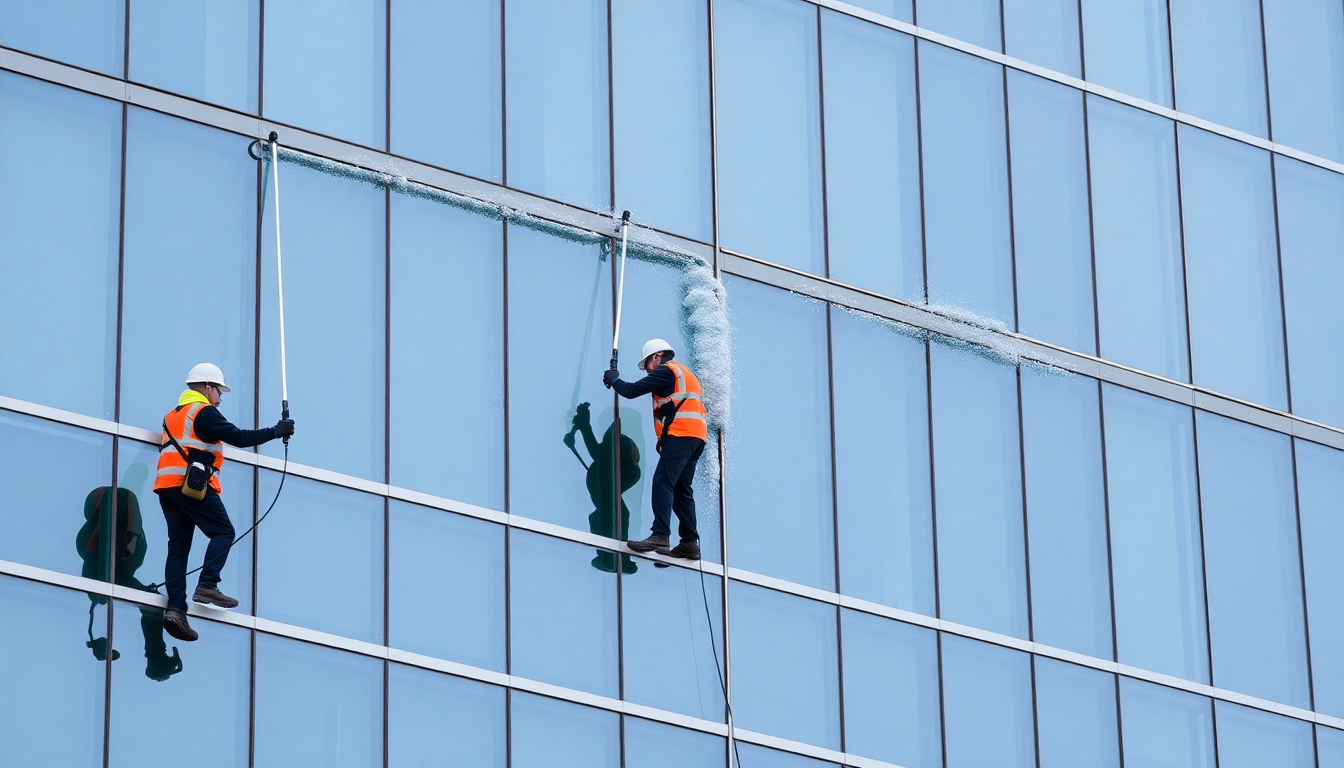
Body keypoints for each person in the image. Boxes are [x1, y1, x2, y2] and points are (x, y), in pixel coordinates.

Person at [155, 363, 294, 642]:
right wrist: (277, 431)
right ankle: (207, 584)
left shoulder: (173, 415)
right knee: (224, 532)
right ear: (207, 387)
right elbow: (239, 438)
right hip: (190, 484)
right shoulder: (204, 412)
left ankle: (176, 609)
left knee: (178, 549)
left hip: (167, 486)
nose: (220, 397)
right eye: (219, 390)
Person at [603, 339, 706, 560]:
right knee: (681, 488)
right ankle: (689, 542)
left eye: (647, 363)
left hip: (681, 434)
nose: (648, 370)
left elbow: (631, 391)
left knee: (662, 481)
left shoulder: (667, 371)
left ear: (658, 355)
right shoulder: (684, 374)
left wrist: (615, 380)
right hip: (695, 436)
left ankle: (660, 534)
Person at [564, 402, 641, 573]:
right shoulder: (612, 446)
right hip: (613, 474)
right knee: (615, 511)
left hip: (614, 473)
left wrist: (582, 425)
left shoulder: (614, 445)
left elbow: (596, 452)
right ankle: (614, 555)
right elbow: (597, 452)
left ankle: (611, 555)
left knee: (612, 510)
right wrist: (582, 425)